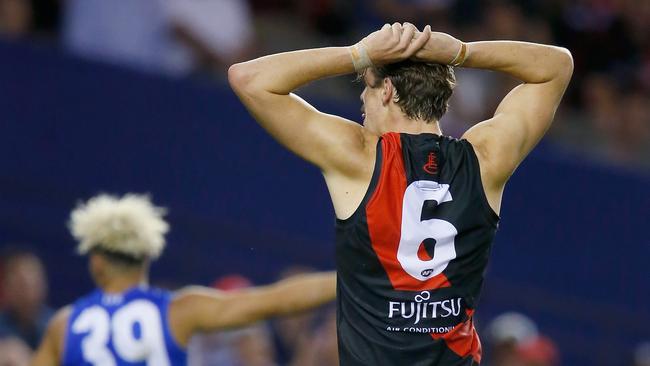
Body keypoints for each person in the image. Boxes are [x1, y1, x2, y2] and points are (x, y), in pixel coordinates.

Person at [228, 22, 572, 365]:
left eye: (367, 86)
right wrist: (460, 52)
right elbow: (556, 67)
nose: (363, 100)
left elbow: (250, 79)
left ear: (388, 90)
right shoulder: (484, 159)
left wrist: (359, 53)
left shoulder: (358, 156)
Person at [31, 194, 336, 365]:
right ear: (147, 256)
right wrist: (348, 278)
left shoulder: (64, 325)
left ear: (96, 262)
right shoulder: (177, 311)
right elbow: (274, 300)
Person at [0, 249, 53, 350]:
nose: (28, 290)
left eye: (34, 282)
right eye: (21, 284)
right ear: (6, 286)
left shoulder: (57, 324)